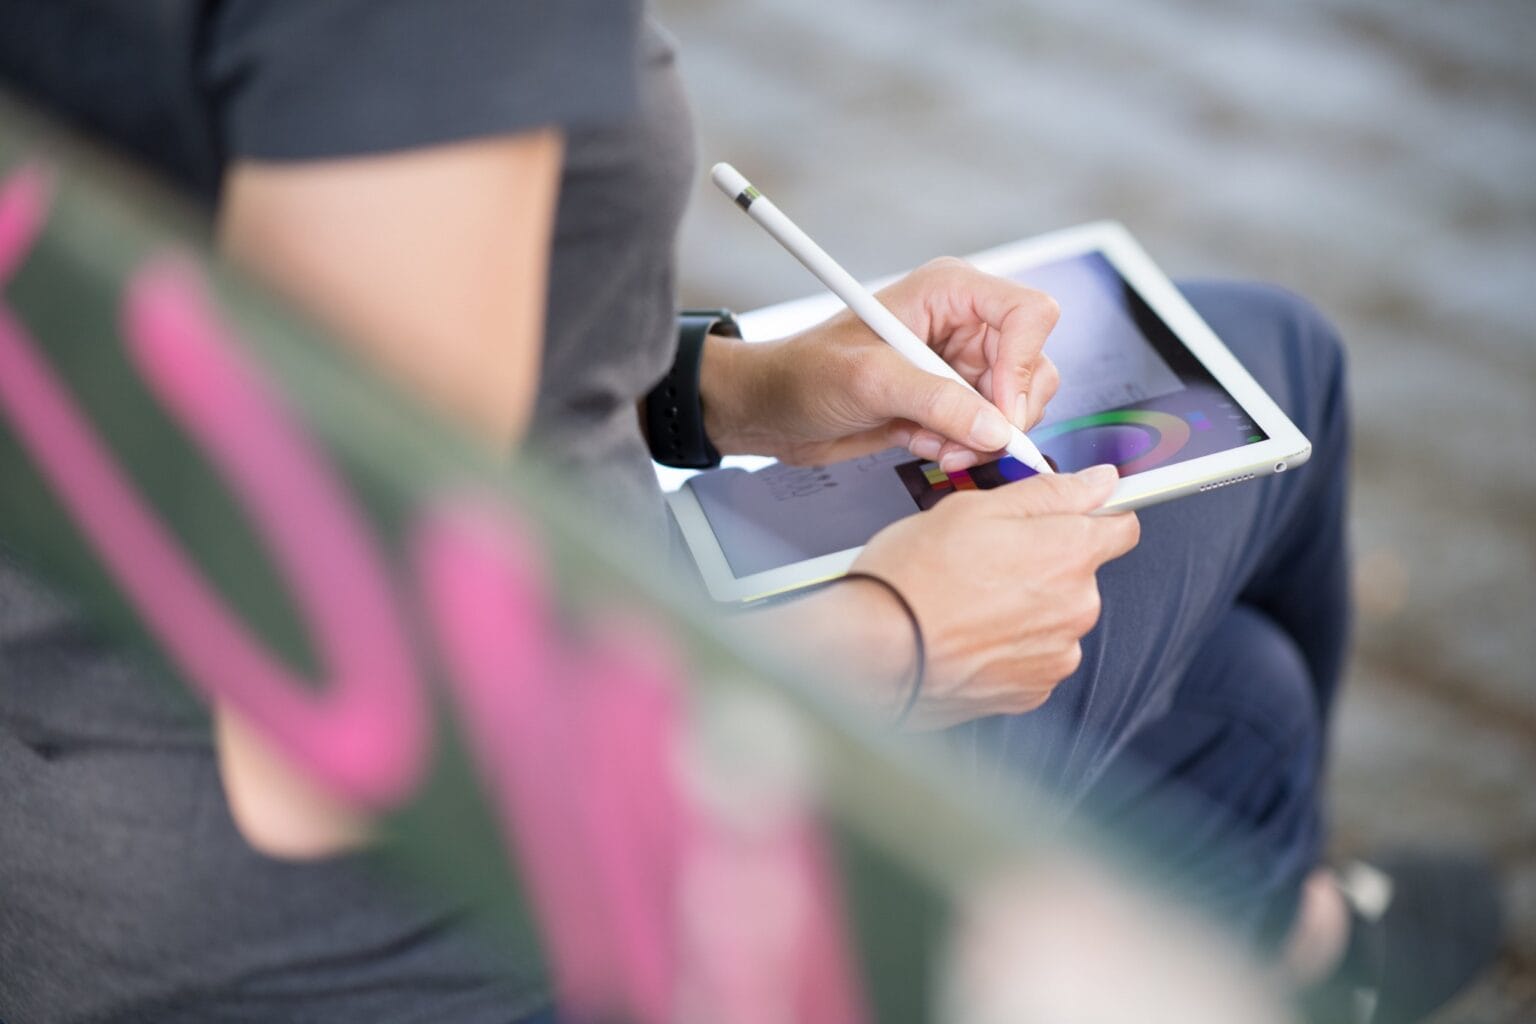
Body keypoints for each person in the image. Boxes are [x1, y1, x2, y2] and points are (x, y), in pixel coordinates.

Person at [0, 2, 1500, 1022]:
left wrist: (731, 385)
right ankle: (1296, 946)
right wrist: (903, 638)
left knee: (1235, 711)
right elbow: (362, 712)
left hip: (62, 774)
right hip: (378, 906)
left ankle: (1288, 939)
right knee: (1271, 369)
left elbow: (271, 312)